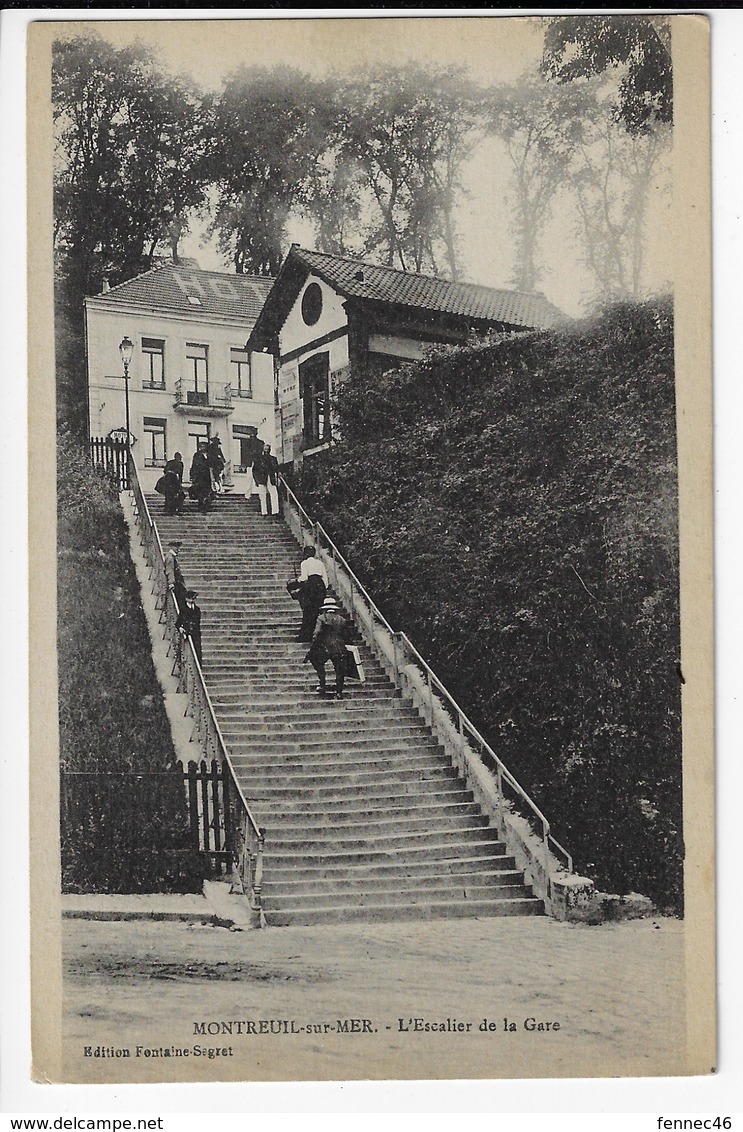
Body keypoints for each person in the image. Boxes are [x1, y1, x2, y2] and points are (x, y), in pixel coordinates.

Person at [306, 594, 350, 699]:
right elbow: (346, 635)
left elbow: (317, 632)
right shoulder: (342, 620)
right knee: (339, 670)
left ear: (325, 609)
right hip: (339, 646)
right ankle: (339, 692)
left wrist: (314, 644)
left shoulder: (321, 618)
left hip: (325, 646)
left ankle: (322, 684)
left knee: (317, 661)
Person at [295, 546, 328, 642]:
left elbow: (304, 577)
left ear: (306, 554)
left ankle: (306, 636)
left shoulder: (304, 563)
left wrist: (298, 580)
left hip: (311, 586)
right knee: (319, 610)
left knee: (308, 610)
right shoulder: (320, 563)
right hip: (320, 586)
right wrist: (322, 588)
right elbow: (325, 579)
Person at [252, 443, 280, 516]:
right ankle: (264, 511)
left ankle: (275, 511)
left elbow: (277, 469)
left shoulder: (273, 459)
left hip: (271, 478)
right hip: (261, 478)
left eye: (268, 449)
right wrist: (256, 480)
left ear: (270, 450)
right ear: (263, 450)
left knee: (274, 493)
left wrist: (277, 478)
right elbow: (254, 470)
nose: (267, 450)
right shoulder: (258, 459)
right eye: (265, 449)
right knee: (262, 495)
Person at [176, 589, 202, 665]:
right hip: (186, 634)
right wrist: (180, 628)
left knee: (197, 651)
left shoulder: (197, 609)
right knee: (186, 651)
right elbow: (178, 623)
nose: (193, 600)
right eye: (191, 598)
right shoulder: (183, 609)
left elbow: (197, 623)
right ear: (186, 599)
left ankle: (198, 666)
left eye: (194, 598)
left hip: (195, 634)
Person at [165, 541, 188, 611]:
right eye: (177, 547)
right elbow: (170, 570)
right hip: (176, 584)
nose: (178, 549)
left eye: (178, 547)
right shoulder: (170, 557)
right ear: (172, 547)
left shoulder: (172, 557)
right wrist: (171, 582)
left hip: (178, 582)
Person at [188, 448, 213, 513]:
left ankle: (205, 506)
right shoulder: (197, 455)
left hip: (207, 478)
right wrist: (193, 477)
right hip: (199, 478)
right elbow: (194, 466)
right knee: (200, 493)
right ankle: (202, 507)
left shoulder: (209, 455)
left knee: (207, 492)